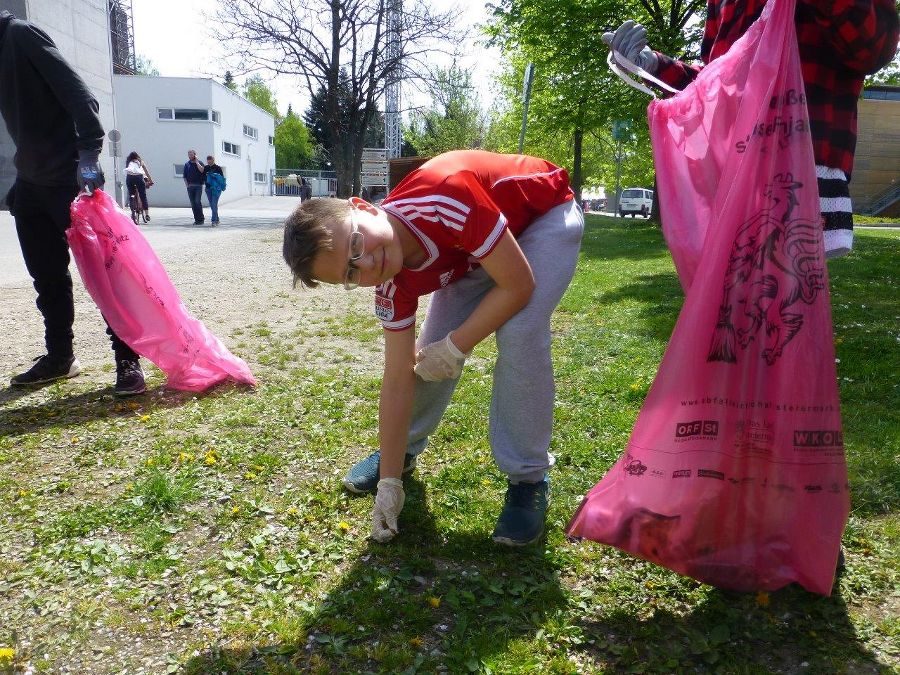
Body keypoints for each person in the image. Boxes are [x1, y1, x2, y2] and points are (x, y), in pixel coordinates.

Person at [282, 150, 584, 545]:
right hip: (478, 249)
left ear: (364, 207)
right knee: (426, 354)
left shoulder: (444, 196)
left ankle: (528, 480)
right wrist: (389, 482)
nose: (368, 263)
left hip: (544, 216)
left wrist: (457, 346)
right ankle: (399, 457)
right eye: (351, 273)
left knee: (520, 330)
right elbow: (396, 375)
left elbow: (519, 286)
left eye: (356, 243)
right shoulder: (389, 283)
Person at [603, 2, 899, 258]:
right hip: (732, 180)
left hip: (804, 182)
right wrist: (653, 65)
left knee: (788, 310)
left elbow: (876, 46)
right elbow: (714, 84)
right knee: (731, 314)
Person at [0, 10, 146, 395]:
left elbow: (82, 99)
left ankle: (127, 359)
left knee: (104, 274)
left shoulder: (20, 35)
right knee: (47, 277)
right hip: (31, 184)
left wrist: (88, 156)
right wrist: (21, 176)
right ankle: (60, 357)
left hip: (69, 179)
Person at [124, 150, 152, 223]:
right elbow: (146, 172)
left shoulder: (128, 162)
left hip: (129, 178)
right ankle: (147, 214)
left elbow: (128, 171)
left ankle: (132, 211)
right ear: (137, 156)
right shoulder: (140, 161)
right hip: (139, 178)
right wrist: (151, 180)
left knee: (131, 194)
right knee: (143, 195)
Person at [183, 149, 205, 224]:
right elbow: (184, 176)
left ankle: (201, 219)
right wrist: (187, 186)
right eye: (189, 154)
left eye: (191, 154)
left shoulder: (200, 162)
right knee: (193, 203)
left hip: (198, 186)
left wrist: (197, 162)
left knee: (197, 202)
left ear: (195, 155)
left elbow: (202, 171)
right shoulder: (187, 164)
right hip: (190, 187)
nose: (190, 156)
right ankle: (197, 220)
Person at [204, 154, 225, 226]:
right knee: (212, 205)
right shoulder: (206, 167)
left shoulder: (218, 168)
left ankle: (213, 221)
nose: (209, 162)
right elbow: (203, 177)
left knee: (214, 204)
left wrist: (214, 175)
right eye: (208, 160)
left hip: (216, 189)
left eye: (210, 160)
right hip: (208, 189)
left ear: (213, 160)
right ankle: (217, 219)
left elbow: (222, 179)